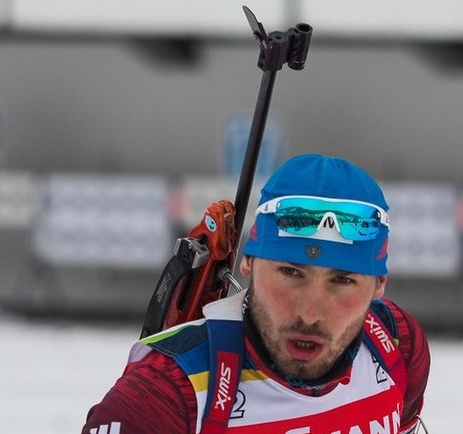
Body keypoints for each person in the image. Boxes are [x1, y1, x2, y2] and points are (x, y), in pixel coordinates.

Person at [82, 154, 430, 434]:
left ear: (379, 286)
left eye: (342, 281)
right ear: (248, 262)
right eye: (290, 273)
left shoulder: (397, 342)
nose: (310, 314)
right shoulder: (167, 394)